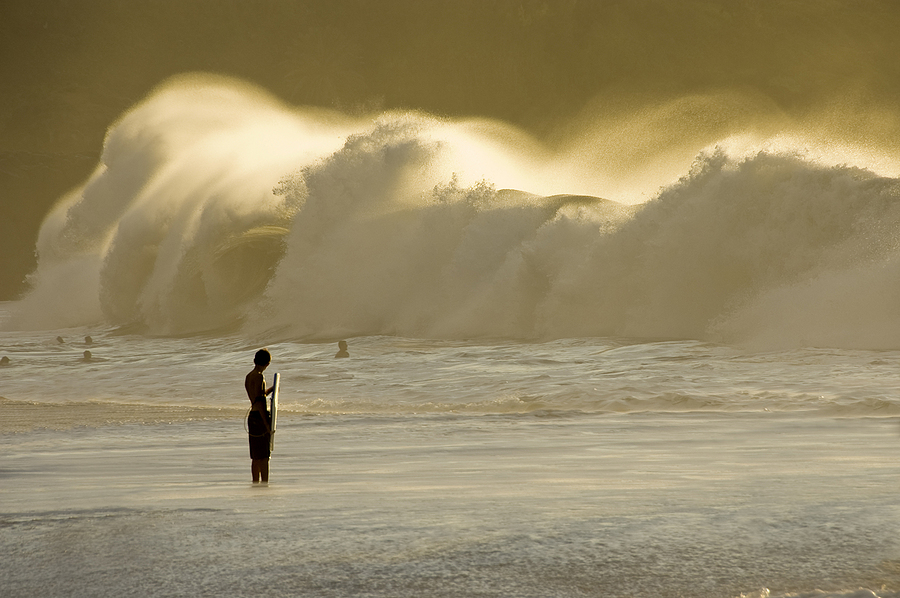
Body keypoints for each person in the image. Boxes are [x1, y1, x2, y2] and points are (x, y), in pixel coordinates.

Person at [245, 348, 274, 483]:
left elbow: (257, 397)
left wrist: (271, 389)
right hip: (259, 417)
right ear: (267, 363)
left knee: (255, 456)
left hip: (252, 416)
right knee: (264, 456)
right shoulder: (260, 376)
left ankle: (255, 483)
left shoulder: (249, 376)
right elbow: (261, 402)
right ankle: (265, 483)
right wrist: (267, 424)